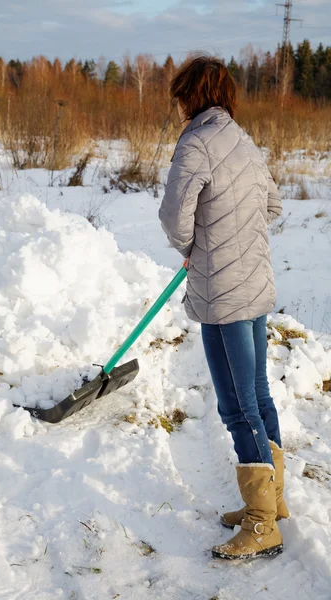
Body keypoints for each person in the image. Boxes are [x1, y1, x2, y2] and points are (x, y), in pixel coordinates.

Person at [159, 55, 288, 560]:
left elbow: (175, 219)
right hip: (254, 286)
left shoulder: (195, 141)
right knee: (258, 396)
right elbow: (272, 205)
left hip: (224, 293)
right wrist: (235, 234)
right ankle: (273, 503)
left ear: (191, 95)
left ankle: (261, 523)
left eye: (179, 97)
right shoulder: (242, 140)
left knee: (238, 406)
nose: (177, 108)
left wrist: (198, 245)